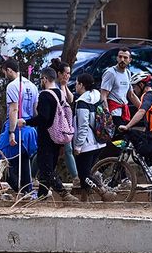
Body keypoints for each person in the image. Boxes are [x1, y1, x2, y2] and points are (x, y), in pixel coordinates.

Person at [23, 67, 78, 202]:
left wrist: (26, 122)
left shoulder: (45, 95)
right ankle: (42, 195)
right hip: (58, 135)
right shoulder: (60, 93)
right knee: (48, 166)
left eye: (42, 79)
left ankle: (64, 194)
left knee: (46, 167)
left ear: (45, 79)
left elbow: (43, 118)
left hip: (47, 136)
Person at [0, 58, 38, 193]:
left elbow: (14, 109)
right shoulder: (32, 85)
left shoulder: (12, 86)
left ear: (9, 70)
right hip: (30, 128)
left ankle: (18, 188)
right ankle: (27, 189)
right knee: (23, 159)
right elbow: (35, 109)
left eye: (4, 72)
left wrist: (11, 132)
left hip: (17, 126)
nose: (5, 76)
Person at [73, 73, 114, 202]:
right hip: (99, 141)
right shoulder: (97, 96)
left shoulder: (82, 102)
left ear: (81, 85)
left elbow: (83, 126)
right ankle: (84, 198)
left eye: (76, 83)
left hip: (87, 144)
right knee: (88, 171)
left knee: (84, 175)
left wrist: (78, 146)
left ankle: (103, 192)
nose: (75, 85)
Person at [50, 58, 79, 186]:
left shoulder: (64, 86)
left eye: (69, 73)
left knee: (68, 149)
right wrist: (62, 85)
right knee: (47, 151)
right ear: (59, 74)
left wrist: (65, 85)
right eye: (66, 73)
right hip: (55, 123)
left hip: (64, 123)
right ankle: (33, 174)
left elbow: (71, 99)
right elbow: (62, 100)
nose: (68, 76)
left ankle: (75, 177)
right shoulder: (54, 86)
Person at [100, 48, 140, 125]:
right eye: (120, 57)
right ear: (117, 58)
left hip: (124, 112)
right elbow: (103, 95)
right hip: (113, 113)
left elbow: (131, 95)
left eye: (125, 57)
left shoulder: (128, 73)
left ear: (130, 60)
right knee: (119, 136)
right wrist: (107, 114)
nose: (122, 59)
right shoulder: (111, 73)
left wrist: (143, 109)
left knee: (124, 135)